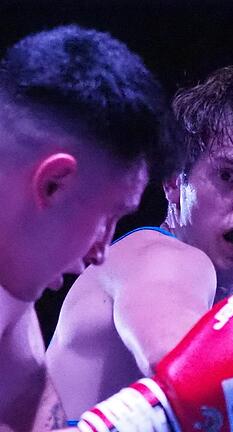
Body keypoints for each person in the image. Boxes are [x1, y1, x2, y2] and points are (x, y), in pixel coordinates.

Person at [47, 66, 233, 419]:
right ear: (174, 182)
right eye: (228, 176)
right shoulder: (164, 256)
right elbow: (182, 364)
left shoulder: (217, 311)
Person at [0, 24, 170, 431]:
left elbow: (32, 412)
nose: (100, 252)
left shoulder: (11, 297)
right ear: (53, 183)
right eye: (106, 217)